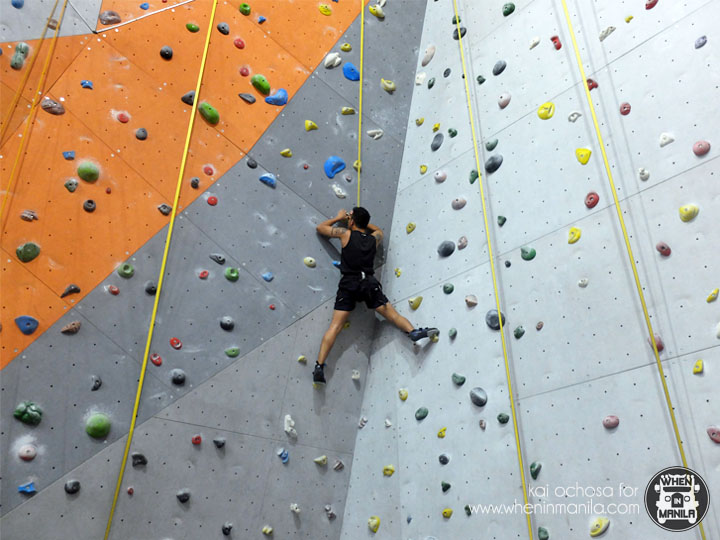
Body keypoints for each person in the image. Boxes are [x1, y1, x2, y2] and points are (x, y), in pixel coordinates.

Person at [313, 207, 438, 385]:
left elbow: (321, 228)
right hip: (369, 284)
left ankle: (319, 367)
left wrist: (339, 217)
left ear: (351, 222)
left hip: (349, 283)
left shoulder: (345, 234)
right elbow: (379, 230)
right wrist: (359, 221)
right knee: (392, 314)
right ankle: (413, 332)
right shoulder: (373, 239)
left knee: (335, 326)